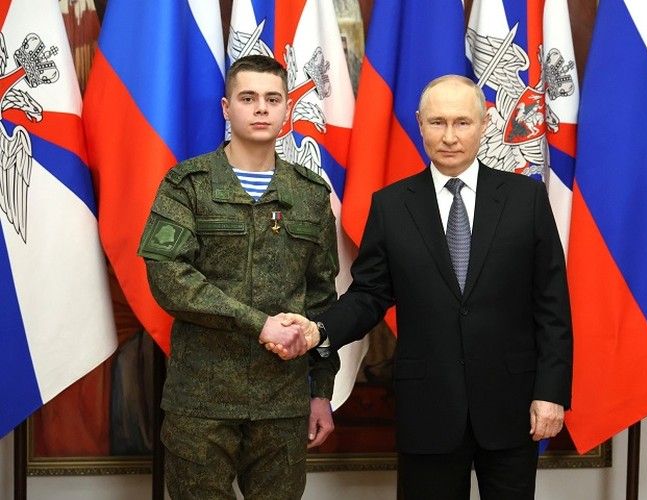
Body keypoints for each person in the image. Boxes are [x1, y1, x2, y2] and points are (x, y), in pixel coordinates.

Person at [271, 75, 573, 499]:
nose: (449, 136)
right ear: (419, 123)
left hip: (512, 405)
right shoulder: (392, 205)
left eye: (462, 122)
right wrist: (319, 330)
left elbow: (552, 306)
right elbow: (369, 295)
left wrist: (551, 393)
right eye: (437, 122)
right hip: (428, 408)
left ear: (485, 123)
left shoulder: (526, 199)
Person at [137, 55, 340, 500]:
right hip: (202, 401)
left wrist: (321, 391)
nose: (261, 108)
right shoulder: (187, 184)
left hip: (282, 402)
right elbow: (169, 278)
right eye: (248, 98)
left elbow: (322, 300)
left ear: (288, 109)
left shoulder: (310, 194)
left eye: (272, 99)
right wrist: (259, 324)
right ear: (227, 108)